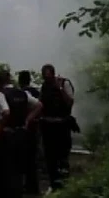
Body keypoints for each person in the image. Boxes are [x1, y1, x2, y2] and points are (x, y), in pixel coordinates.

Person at [0, 70, 43, 198]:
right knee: (20, 163)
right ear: (10, 80)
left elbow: (6, 112)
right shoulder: (23, 93)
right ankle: (18, 191)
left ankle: (5, 192)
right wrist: (27, 120)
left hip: (7, 133)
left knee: (5, 164)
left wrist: (0, 126)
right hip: (22, 133)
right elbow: (39, 105)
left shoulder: (0, 94)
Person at [39, 64, 75, 193]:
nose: (46, 79)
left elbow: (70, 102)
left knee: (62, 154)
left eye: (48, 76)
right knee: (50, 156)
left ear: (53, 74)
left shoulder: (64, 83)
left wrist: (60, 88)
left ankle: (64, 182)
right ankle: (54, 183)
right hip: (48, 125)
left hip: (62, 124)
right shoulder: (44, 86)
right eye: (44, 77)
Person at [18, 70, 41, 195]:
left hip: (23, 129)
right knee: (32, 159)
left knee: (22, 158)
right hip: (35, 128)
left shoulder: (20, 94)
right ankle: (33, 188)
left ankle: (21, 186)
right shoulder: (37, 92)